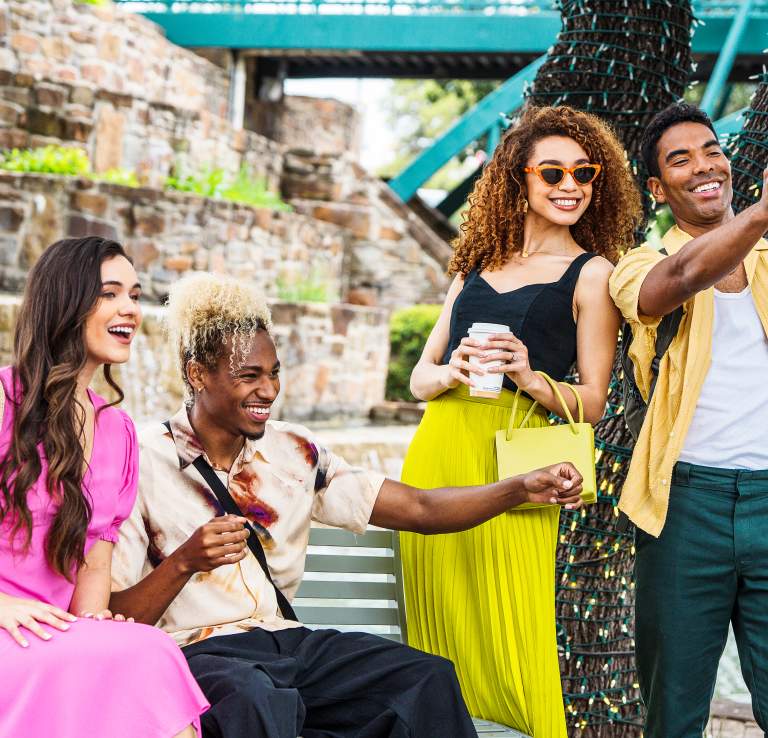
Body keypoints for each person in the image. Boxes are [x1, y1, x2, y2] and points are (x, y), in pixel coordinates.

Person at [109, 271, 585, 738]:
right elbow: (119, 616)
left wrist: (519, 488)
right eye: (249, 376)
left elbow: (419, 509)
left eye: (274, 374)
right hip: (193, 655)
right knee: (258, 701)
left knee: (424, 679)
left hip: (288, 645)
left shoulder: (296, 452)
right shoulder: (141, 462)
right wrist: (186, 561)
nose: (269, 391)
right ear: (197, 374)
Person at [403, 104, 643, 735]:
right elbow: (418, 378)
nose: (571, 187)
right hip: (440, 454)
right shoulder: (472, 269)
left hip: (523, 463)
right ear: (520, 180)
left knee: (515, 627)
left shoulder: (594, 273)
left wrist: (531, 376)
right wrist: (452, 370)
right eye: (554, 174)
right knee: (442, 625)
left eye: (585, 174)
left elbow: (594, 401)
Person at [0, 237, 209, 738]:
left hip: (53, 633)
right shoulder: (4, 401)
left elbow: (95, 557)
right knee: (150, 656)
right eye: (109, 294)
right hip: (8, 629)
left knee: (140, 652)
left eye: (135, 295)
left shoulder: (117, 432)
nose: (129, 310)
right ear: (65, 302)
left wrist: (95, 624)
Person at [609, 102, 768, 736]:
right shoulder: (639, 264)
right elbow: (676, 279)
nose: (704, 167)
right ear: (657, 188)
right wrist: (760, 213)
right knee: (673, 713)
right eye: (681, 160)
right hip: (684, 508)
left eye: (711, 151)